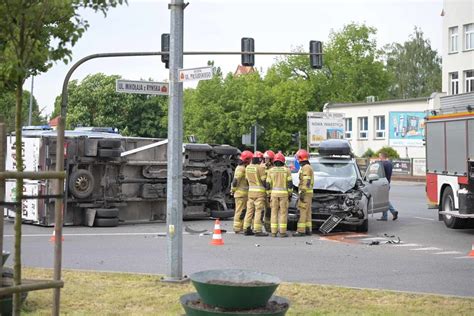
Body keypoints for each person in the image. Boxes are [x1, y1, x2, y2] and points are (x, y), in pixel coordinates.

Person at [267, 152, 293, 237]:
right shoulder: (287, 170)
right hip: (284, 195)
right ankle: (282, 232)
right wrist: (290, 194)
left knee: (273, 213)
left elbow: (267, 184)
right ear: (283, 161)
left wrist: (268, 194)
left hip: (273, 194)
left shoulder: (270, 170)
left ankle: (274, 232)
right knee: (283, 213)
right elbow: (289, 183)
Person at [243, 151, 268, 236]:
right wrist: (267, 188)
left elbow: (247, 180)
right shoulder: (260, 168)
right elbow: (264, 181)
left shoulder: (248, 167)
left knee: (249, 211)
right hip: (259, 193)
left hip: (250, 192)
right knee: (258, 211)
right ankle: (257, 230)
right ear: (259, 159)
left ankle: (246, 228)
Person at [231, 150, 253, 233]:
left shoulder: (242, 167)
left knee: (242, 211)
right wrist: (233, 190)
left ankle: (240, 226)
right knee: (240, 211)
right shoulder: (241, 168)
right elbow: (236, 180)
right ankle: (237, 227)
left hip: (242, 194)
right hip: (241, 194)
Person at [293, 149, 314, 237]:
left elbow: (306, 181)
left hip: (305, 193)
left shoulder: (306, 168)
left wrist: (302, 193)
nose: (298, 161)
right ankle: (308, 229)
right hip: (308, 193)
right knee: (307, 211)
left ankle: (301, 230)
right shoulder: (307, 167)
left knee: (302, 211)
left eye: (298, 159)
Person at [377, 152, 399, 221]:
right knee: (384, 199)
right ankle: (385, 216)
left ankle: (393, 211)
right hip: (387, 183)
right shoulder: (389, 163)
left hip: (382, 183)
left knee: (384, 200)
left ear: (382, 156)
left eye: (379, 156)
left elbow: (379, 174)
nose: (379, 157)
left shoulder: (382, 164)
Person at [262, 150, 275, 232]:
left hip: (271, 191)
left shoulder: (273, 169)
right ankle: (266, 226)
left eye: (267, 159)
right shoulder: (262, 167)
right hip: (263, 191)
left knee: (269, 210)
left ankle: (269, 226)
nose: (265, 160)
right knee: (266, 210)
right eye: (265, 159)